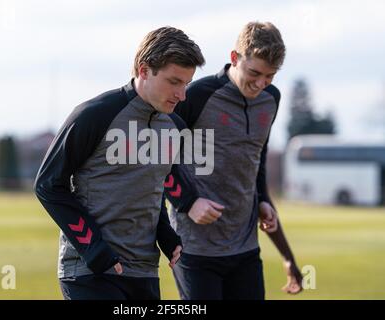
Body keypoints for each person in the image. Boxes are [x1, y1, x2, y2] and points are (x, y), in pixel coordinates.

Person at [34, 26, 206, 300]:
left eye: (186, 83)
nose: (182, 94)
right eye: (174, 81)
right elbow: (48, 185)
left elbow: (152, 188)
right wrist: (92, 247)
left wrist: (165, 234)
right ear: (144, 70)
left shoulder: (175, 127)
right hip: (91, 273)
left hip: (145, 273)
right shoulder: (94, 115)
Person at [164, 21, 303, 300]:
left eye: (270, 76)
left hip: (245, 248)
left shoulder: (270, 99)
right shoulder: (197, 96)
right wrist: (188, 201)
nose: (261, 83)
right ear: (234, 58)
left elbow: (257, 160)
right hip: (194, 248)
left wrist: (264, 202)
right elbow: (156, 158)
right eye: (255, 72)